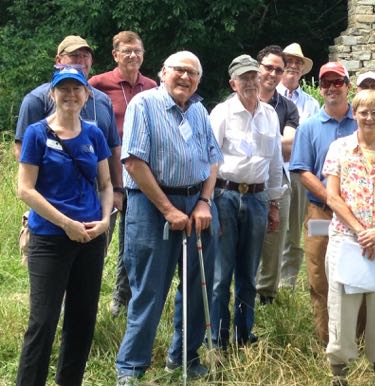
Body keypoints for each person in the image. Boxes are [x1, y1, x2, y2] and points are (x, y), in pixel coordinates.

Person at [115, 51, 222, 385]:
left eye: (193, 73)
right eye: (180, 70)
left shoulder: (200, 111)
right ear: (163, 72)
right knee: (149, 288)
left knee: (196, 285)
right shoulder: (144, 105)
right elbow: (132, 161)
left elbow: (212, 159)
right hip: (152, 205)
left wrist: (204, 201)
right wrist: (168, 209)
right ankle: (131, 368)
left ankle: (184, 357)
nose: (186, 77)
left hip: (198, 204)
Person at [16, 67, 113, 386]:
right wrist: (66, 223)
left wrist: (104, 220)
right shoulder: (36, 133)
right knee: (42, 322)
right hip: (50, 238)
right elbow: (25, 189)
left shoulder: (94, 134)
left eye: (77, 89)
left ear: (87, 95)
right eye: (64, 89)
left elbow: (106, 183)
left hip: (90, 239)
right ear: (52, 94)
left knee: (82, 319)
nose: (70, 95)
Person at [323, 90, 375, 385]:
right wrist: (362, 232)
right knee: (343, 306)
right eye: (363, 111)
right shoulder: (339, 149)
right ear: (355, 114)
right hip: (348, 240)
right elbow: (332, 197)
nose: (369, 117)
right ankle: (339, 370)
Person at [209, 54, 283, 348]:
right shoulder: (221, 113)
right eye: (244, 79)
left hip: (257, 198)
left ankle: (243, 334)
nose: (251, 83)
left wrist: (274, 203)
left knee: (249, 274)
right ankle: (216, 337)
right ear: (233, 83)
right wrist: (209, 202)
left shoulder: (270, 115)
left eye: (254, 76)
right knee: (220, 275)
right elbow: (210, 161)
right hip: (225, 196)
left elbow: (276, 162)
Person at [89, 30, 157, 316]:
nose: (132, 55)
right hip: (104, 177)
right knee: (97, 240)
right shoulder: (98, 85)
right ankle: (85, 298)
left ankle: (122, 299)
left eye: (137, 51)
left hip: (140, 178)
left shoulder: (152, 86)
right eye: (126, 51)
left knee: (132, 244)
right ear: (115, 55)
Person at [289, 62, 358, 344]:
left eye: (337, 82)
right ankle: (326, 340)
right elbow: (302, 170)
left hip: (359, 214)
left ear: (347, 86)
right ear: (319, 88)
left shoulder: (362, 121)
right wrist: (332, 198)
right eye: (325, 83)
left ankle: (357, 339)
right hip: (320, 212)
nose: (331, 87)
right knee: (319, 276)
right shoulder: (308, 127)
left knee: (358, 274)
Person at [255, 45, 300, 304]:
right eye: (268, 67)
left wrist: (255, 139)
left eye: (278, 70)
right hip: (242, 178)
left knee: (275, 234)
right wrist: (274, 138)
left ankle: (267, 294)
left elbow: (288, 147)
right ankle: (243, 289)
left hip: (278, 176)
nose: (273, 73)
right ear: (258, 67)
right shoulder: (238, 98)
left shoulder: (288, 107)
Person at [277, 42, 319, 289]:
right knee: (271, 228)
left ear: (303, 70)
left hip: (298, 171)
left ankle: (287, 284)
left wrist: (288, 144)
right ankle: (265, 279)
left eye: (297, 63)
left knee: (293, 231)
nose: (293, 67)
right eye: (289, 62)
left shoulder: (311, 104)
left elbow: (311, 141)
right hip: (272, 171)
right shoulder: (271, 96)